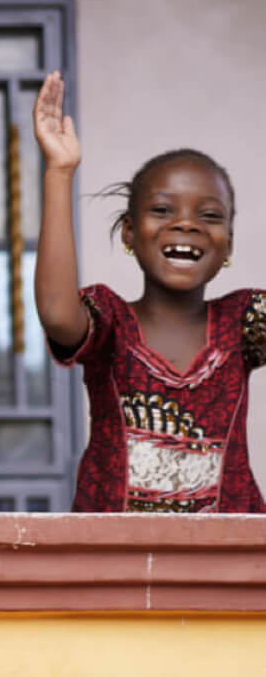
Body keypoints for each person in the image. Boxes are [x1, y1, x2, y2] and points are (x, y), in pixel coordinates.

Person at [33, 71, 265, 512]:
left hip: (232, 561)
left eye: (210, 216)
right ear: (129, 233)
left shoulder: (244, 320)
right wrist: (60, 172)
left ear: (229, 244)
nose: (186, 223)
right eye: (162, 210)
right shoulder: (110, 320)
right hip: (115, 559)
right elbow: (59, 313)